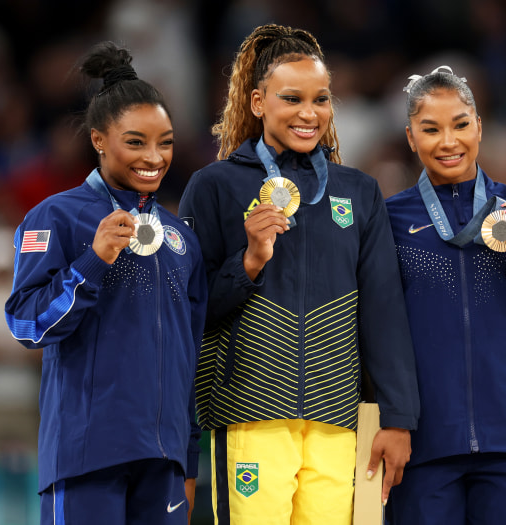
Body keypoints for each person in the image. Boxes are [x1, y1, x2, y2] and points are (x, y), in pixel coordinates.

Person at [178, 23, 419, 525]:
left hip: (336, 417)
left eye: (321, 99)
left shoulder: (358, 192)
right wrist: (248, 263)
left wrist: (397, 418)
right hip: (249, 411)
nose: (309, 113)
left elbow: (383, 311)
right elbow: (188, 311)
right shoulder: (214, 187)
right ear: (258, 101)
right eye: (292, 98)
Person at [4, 41, 207, 525]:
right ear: (98, 139)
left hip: (164, 461)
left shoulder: (181, 238)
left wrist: (189, 459)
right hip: (86, 453)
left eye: (166, 142)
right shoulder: (55, 217)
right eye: (135, 142)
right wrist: (92, 261)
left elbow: (191, 354)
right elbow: (25, 324)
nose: (154, 157)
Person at [384, 65, 506, 525]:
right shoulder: (388, 221)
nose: (448, 141)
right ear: (411, 138)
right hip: (423, 447)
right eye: (430, 129)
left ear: (480, 127)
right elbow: (376, 331)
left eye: (460, 124)